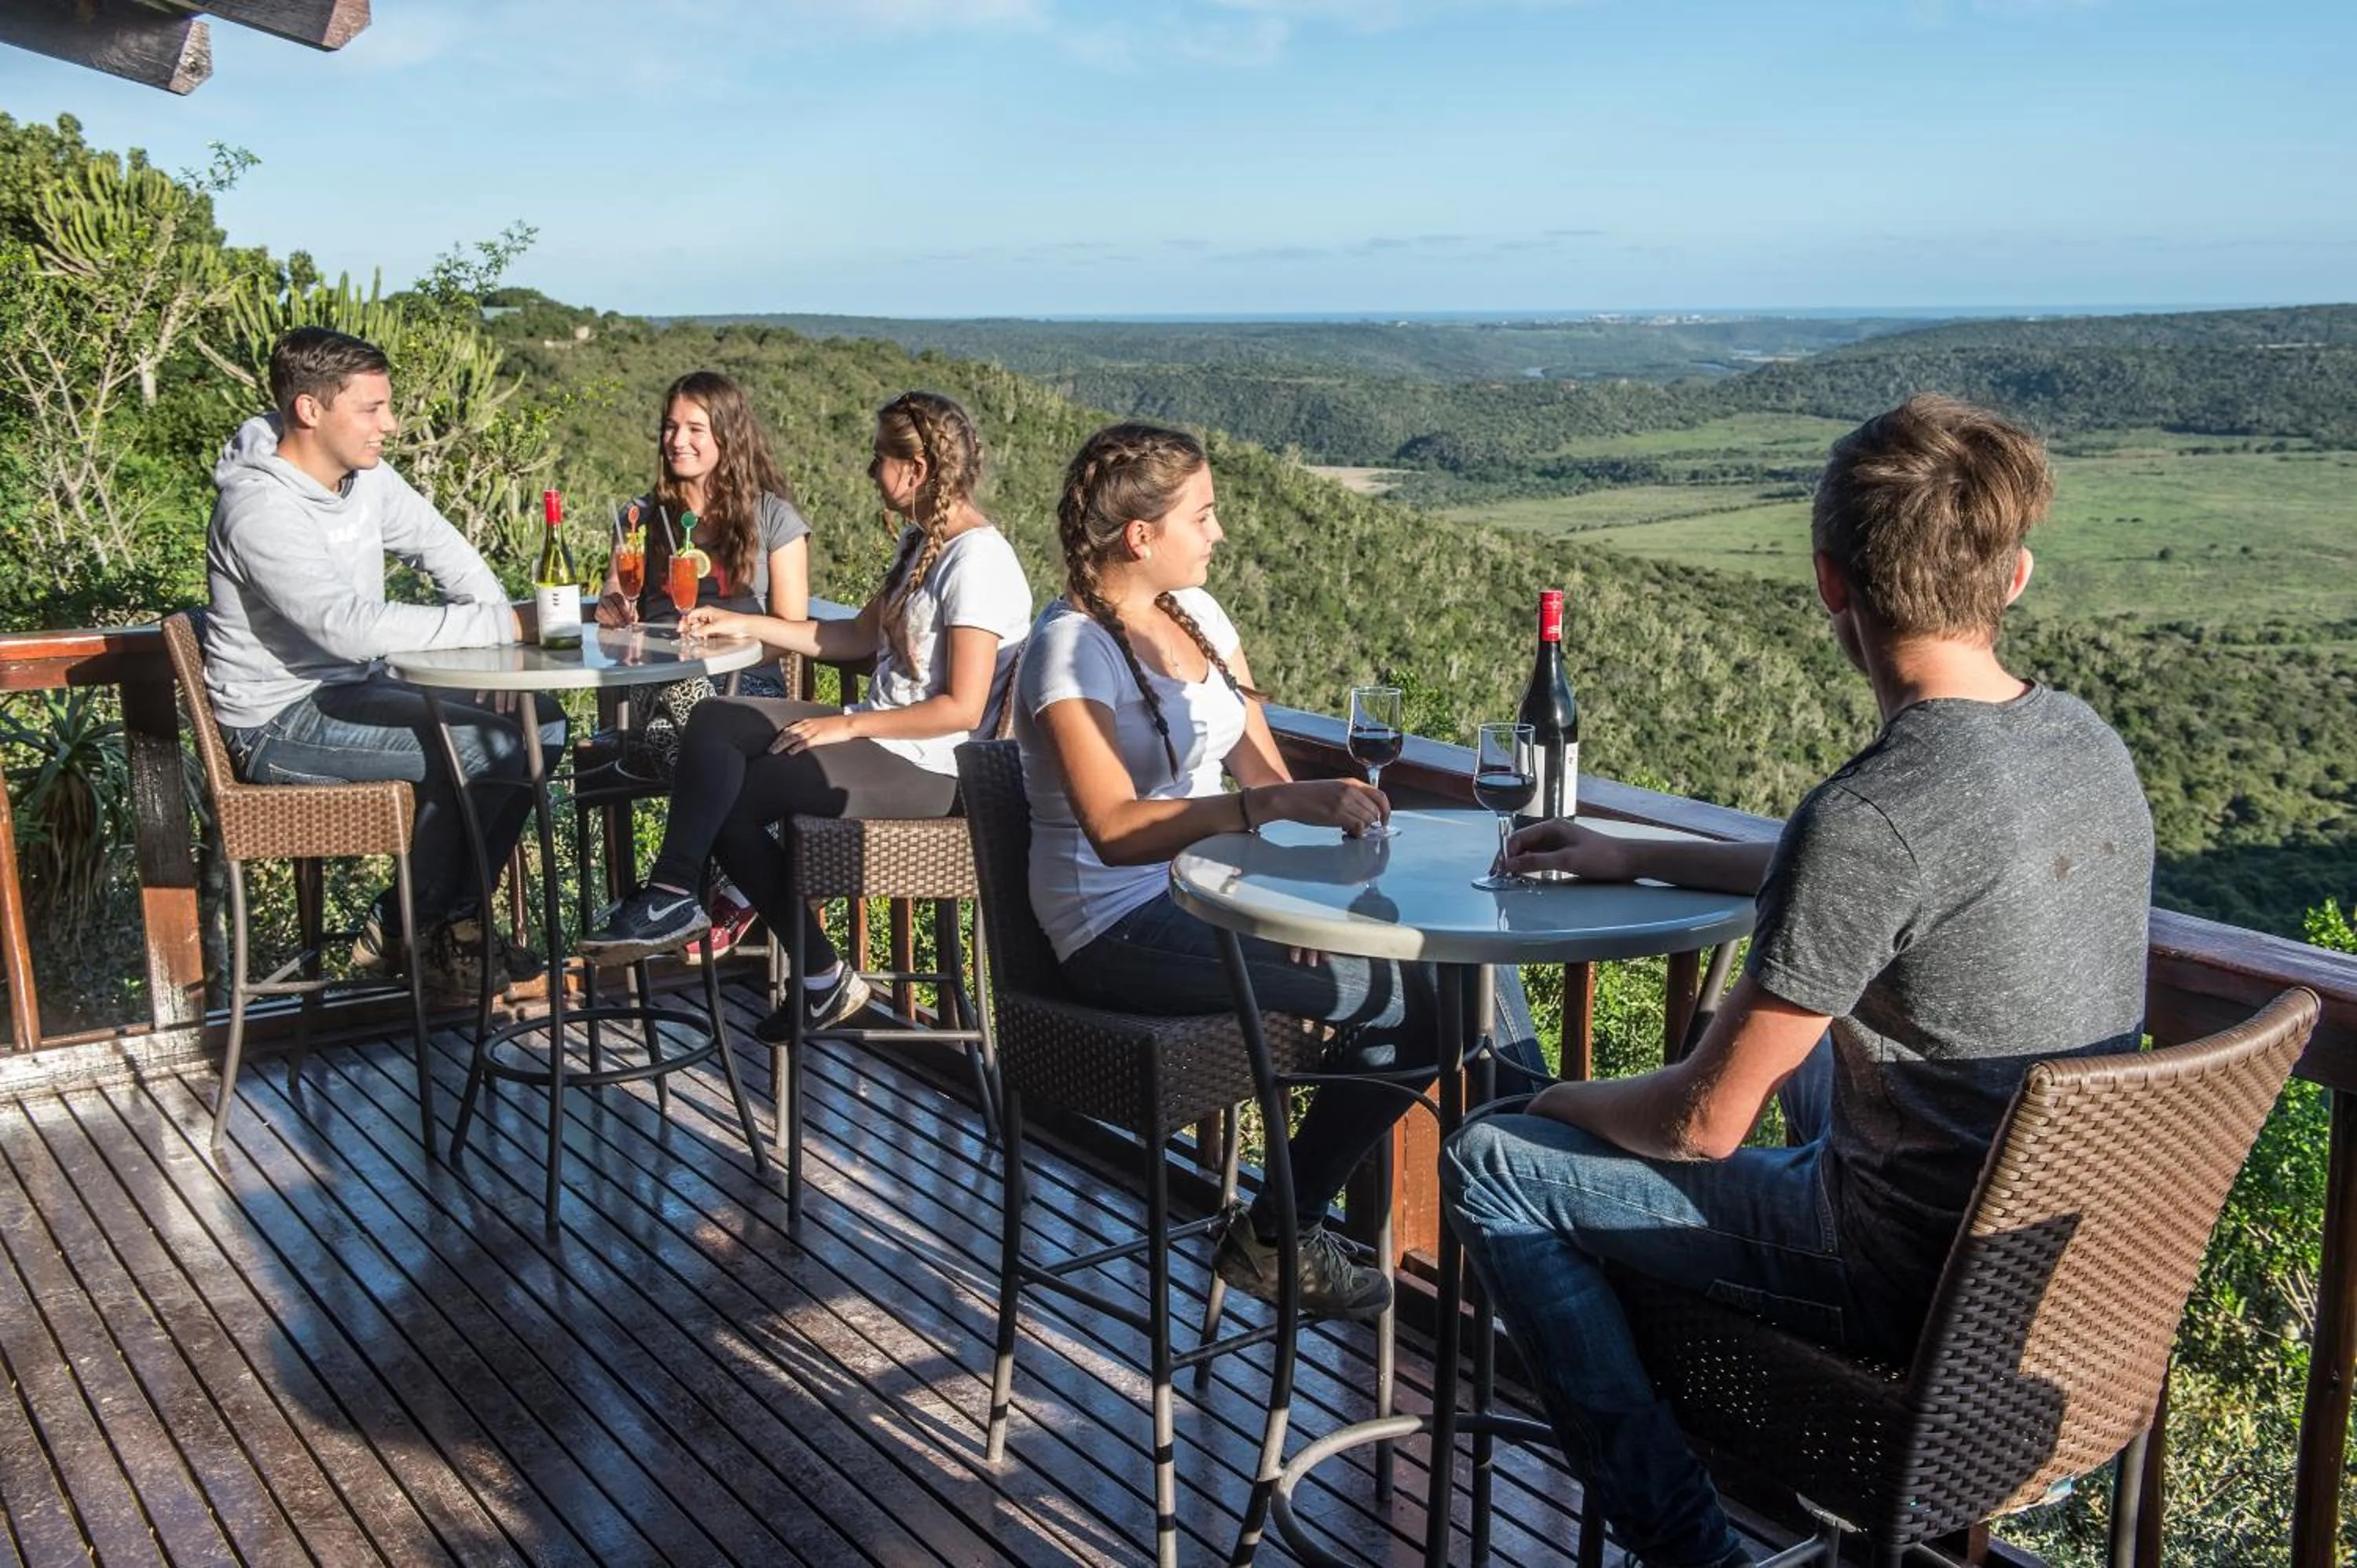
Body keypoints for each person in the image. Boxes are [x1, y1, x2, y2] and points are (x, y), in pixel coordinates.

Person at [1441, 394, 2155, 1568]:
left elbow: (1699, 1123)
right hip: (2059, 1266)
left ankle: (1686, 1548)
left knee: (1493, 1164)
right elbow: (1884, 885)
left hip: (1905, 1276)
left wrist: (1554, 1102)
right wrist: (1642, 854)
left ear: (1832, 582)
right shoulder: (2082, 742)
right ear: (2013, 576)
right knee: (1807, 1046)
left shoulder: (1873, 813)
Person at [1017, 421, 1546, 1322]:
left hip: (1216, 899)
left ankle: (1505, 1193)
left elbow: (1265, 779)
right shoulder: (1067, 649)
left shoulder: (1203, 620)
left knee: (1466, 973)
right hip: (1114, 923)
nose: (1219, 534)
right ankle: (1521, 1210)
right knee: (1429, 999)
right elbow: (1112, 827)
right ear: (1139, 536)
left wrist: (1301, 900)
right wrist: (1261, 822)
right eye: (1204, 516)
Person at [577, 390, 1032, 1039]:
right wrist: (740, 620)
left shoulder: (977, 560)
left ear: (917, 469)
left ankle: (814, 972)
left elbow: (960, 707)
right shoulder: (920, 542)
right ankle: (677, 896)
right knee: (718, 722)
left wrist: (846, 724)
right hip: (886, 737)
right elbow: (848, 640)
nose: (871, 470)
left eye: (879, 457)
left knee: (729, 800)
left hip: (935, 769)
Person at [203, 326, 565, 1001]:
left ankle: (420, 925)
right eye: (372, 409)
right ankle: (435, 929)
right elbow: (346, 628)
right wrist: (503, 622)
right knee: (482, 748)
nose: (389, 426)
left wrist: (499, 653)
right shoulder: (257, 507)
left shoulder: (364, 480)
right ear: (311, 410)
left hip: (357, 693)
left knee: (539, 724)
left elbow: (444, 551)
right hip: (279, 723)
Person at [593, 369, 813, 959]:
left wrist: (731, 642)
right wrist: (613, 609)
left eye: (695, 427)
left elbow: (791, 632)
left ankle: (682, 894)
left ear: (727, 436)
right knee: (701, 723)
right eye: (670, 427)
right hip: (659, 688)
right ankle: (725, 888)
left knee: (716, 722)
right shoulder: (640, 519)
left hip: (750, 685)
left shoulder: (772, 518)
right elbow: (615, 611)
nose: (678, 440)